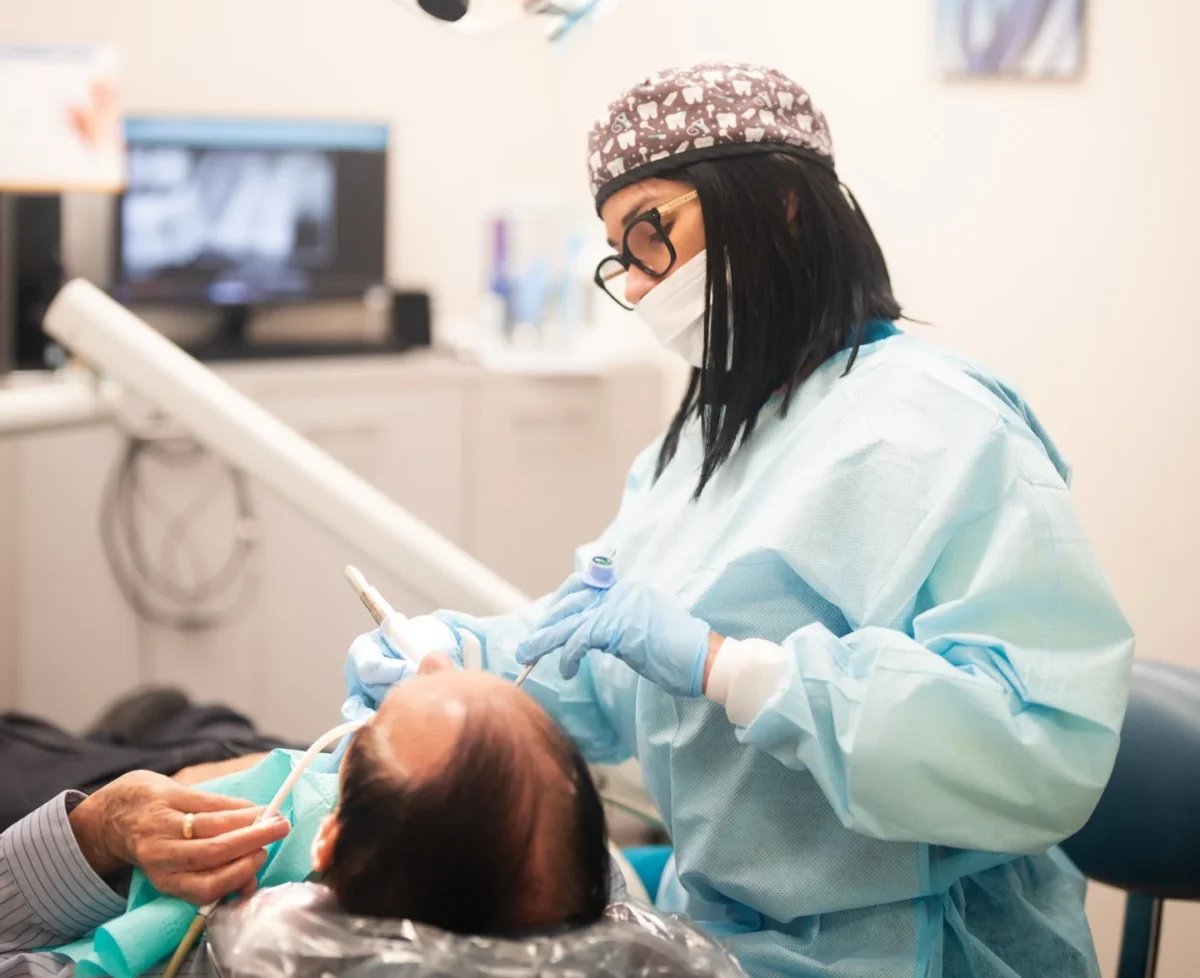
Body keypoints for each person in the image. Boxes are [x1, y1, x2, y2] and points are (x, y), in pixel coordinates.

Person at [342, 62, 1135, 978]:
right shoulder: (703, 443)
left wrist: (734, 671)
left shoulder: (944, 427)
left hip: (907, 950)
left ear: (785, 202)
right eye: (619, 257)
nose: (637, 287)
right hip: (723, 939)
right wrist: (464, 653)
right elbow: (606, 658)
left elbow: (1037, 749)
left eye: (651, 233)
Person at [0, 654, 610, 978]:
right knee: (207, 723)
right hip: (240, 754)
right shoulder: (574, 882)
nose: (429, 662)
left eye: (376, 727)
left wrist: (97, 828)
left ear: (330, 844)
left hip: (101, 809)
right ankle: (173, 722)